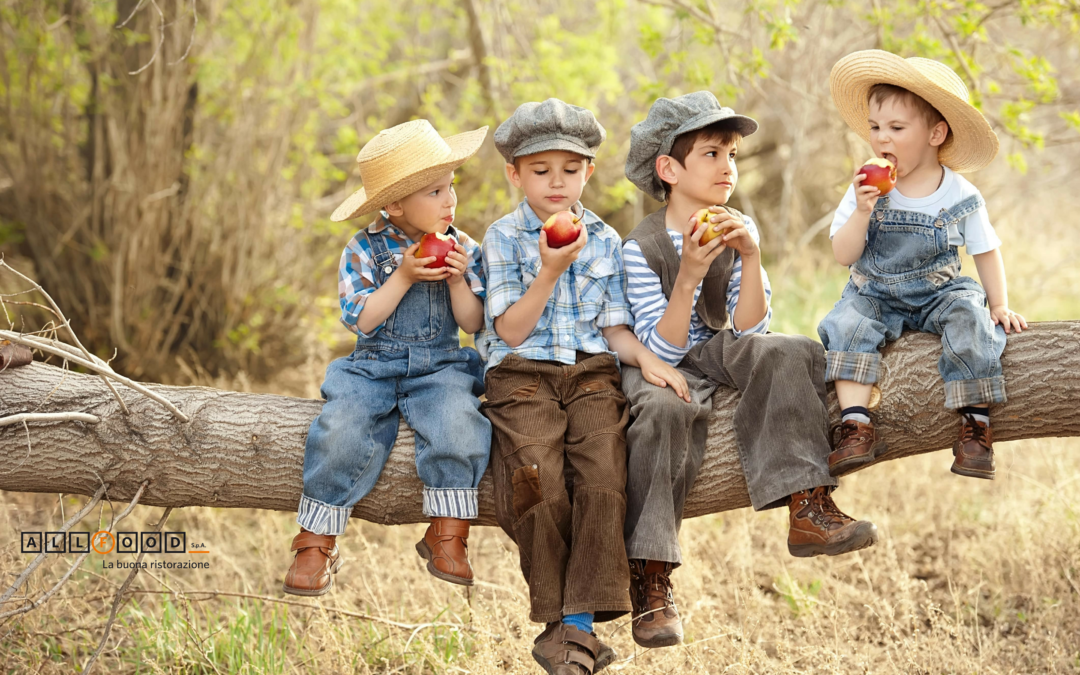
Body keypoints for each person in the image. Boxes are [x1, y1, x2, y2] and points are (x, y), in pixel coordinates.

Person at [620, 91, 880, 648]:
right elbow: (659, 354)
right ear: (668, 169)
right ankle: (651, 578)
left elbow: (751, 333)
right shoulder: (640, 247)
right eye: (712, 154)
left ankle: (807, 506)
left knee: (789, 349)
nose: (728, 167)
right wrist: (688, 275)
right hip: (660, 358)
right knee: (660, 412)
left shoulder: (737, 228)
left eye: (733, 155)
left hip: (720, 347)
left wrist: (753, 256)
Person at [283, 120, 492, 596]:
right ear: (395, 205)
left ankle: (447, 533)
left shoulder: (464, 248)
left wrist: (458, 279)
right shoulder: (362, 249)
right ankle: (316, 540)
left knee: (460, 424)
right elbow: (363, 321)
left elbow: (473, 323)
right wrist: (402, 276)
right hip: (373, 365)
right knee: (340, 427)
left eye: (450, 187)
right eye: (434, 191)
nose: (449, 200)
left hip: (440, 365)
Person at [820, 50, 1026, 481]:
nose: (882, 140)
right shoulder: (865, 188)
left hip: (937, 289)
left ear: (936, 133)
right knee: (846, 324)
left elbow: (986, 250)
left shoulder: (959, 193)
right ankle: (856, 423)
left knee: (971, 316)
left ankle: (975, 425)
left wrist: (1000, 304)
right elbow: (843, 255)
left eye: (897, 128)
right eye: (875, 128)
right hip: (874, 291)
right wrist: (861, 211)